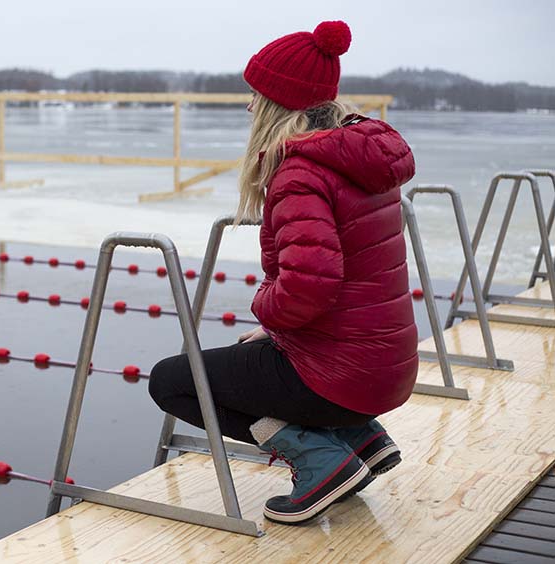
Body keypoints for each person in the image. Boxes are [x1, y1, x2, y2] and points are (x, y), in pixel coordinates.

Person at [148, 20, 418, 525]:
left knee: (173, 381)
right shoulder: (358, 157)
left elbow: (307, 284)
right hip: (386, 370)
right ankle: (360, 438)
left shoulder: (301, 171)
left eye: (256, 95)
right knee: (253, 353)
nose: (249, 106)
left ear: (279, 104)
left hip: (342, 378)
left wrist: (266, 309)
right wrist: (276, 332)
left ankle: (321, 458)